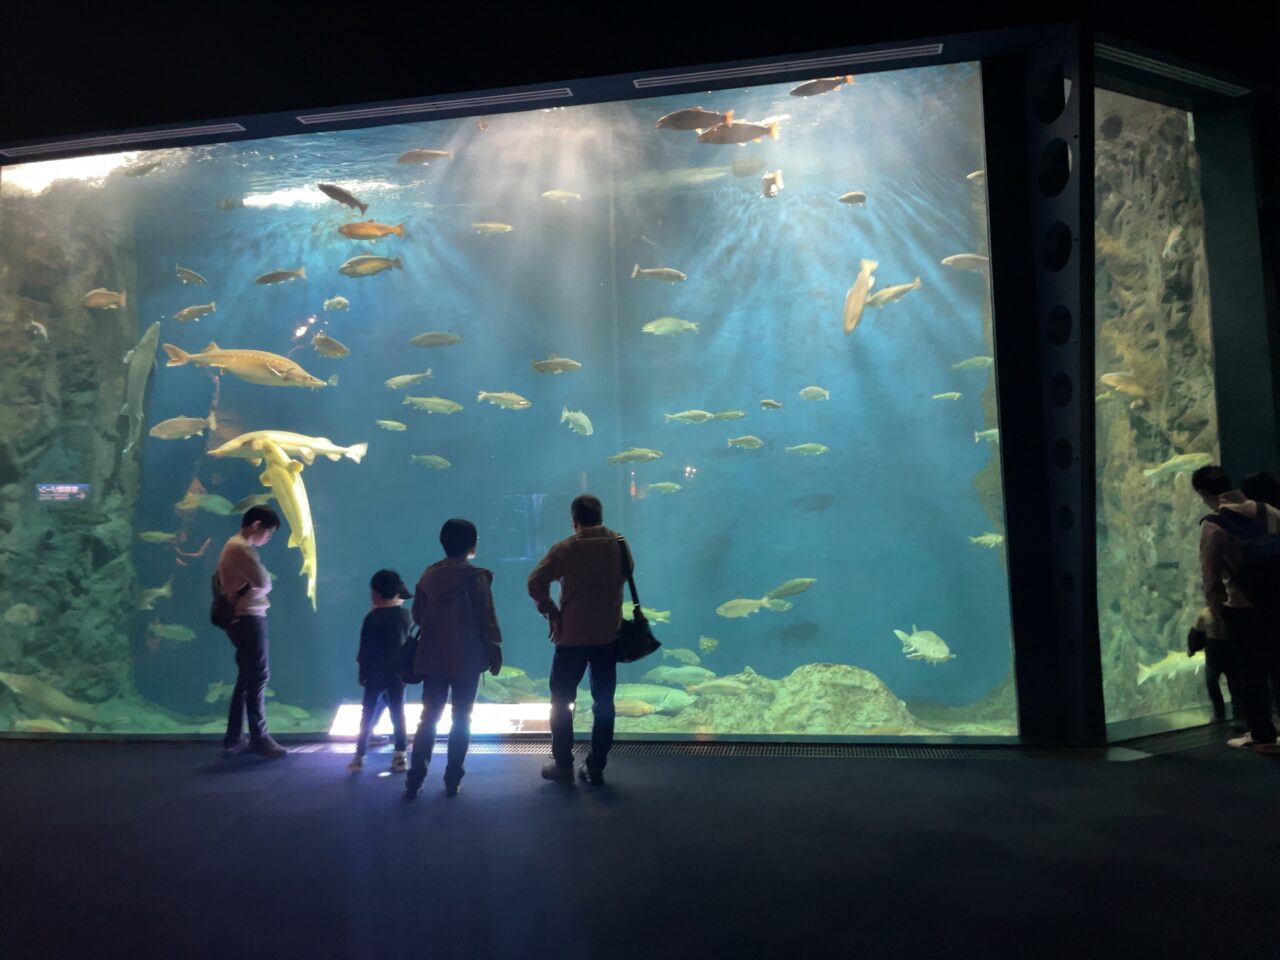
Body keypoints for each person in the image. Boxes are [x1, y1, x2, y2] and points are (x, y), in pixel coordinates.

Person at [527, 494, 633, 786]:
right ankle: (596, 766)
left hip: (571, 637)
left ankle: (563, 765)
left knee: (561, 701)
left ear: (574, 521)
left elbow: (535, 582)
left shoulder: (565, 549)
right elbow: (627, 574)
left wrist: (551, 611)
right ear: (601, 515)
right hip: (606, 636)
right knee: (604, 703)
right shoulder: (618, 544)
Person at [405, 519, 503, 799]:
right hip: (466, 660)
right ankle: (452, 779)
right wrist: (494, 651)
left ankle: (415, 779)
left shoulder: (428, 575)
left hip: (433, 658)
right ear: (472, 545)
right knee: (462, 717)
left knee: (428, 718)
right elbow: (487, 620)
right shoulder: (477, 578)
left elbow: (417, 616)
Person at [1192, 465, 1280, 753]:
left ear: (1204, 492)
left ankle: (1261, 734)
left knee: (1251, 674)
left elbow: (1210, 572)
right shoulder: (1268, 511)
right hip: (1276, 603)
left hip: (1243, 608)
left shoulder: (1213, 524)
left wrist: (1215, 608)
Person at [215, 506, 288, 759]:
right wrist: (260, 588)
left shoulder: (233, 546)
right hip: (248, 618)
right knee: (258, 677)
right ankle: (260, 737)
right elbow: (264, 581)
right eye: (268, 534)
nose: (268, 539)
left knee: (246, 679)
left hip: (240, 617)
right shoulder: (241, 548)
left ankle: (234, 738)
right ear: (256, 525)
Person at [348, 570, 412, 773]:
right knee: (398, 713)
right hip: (397, 675)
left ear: (375, 594)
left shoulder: (371, 618)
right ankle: (400, 755)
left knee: (366, 714)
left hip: (374, 674)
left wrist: (363, 673)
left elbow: (364, 649)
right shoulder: (404, 615)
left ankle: (359, 756)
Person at [1189, 607, 1242, 727]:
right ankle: (1219, 713)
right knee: (1211, 683)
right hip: (1213, 654)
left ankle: (1239, 715)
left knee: (1235, 685)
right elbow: (1198, 633)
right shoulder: (1204, 614)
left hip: (1230, 652)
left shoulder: (1230, 612)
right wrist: (1192, 647)